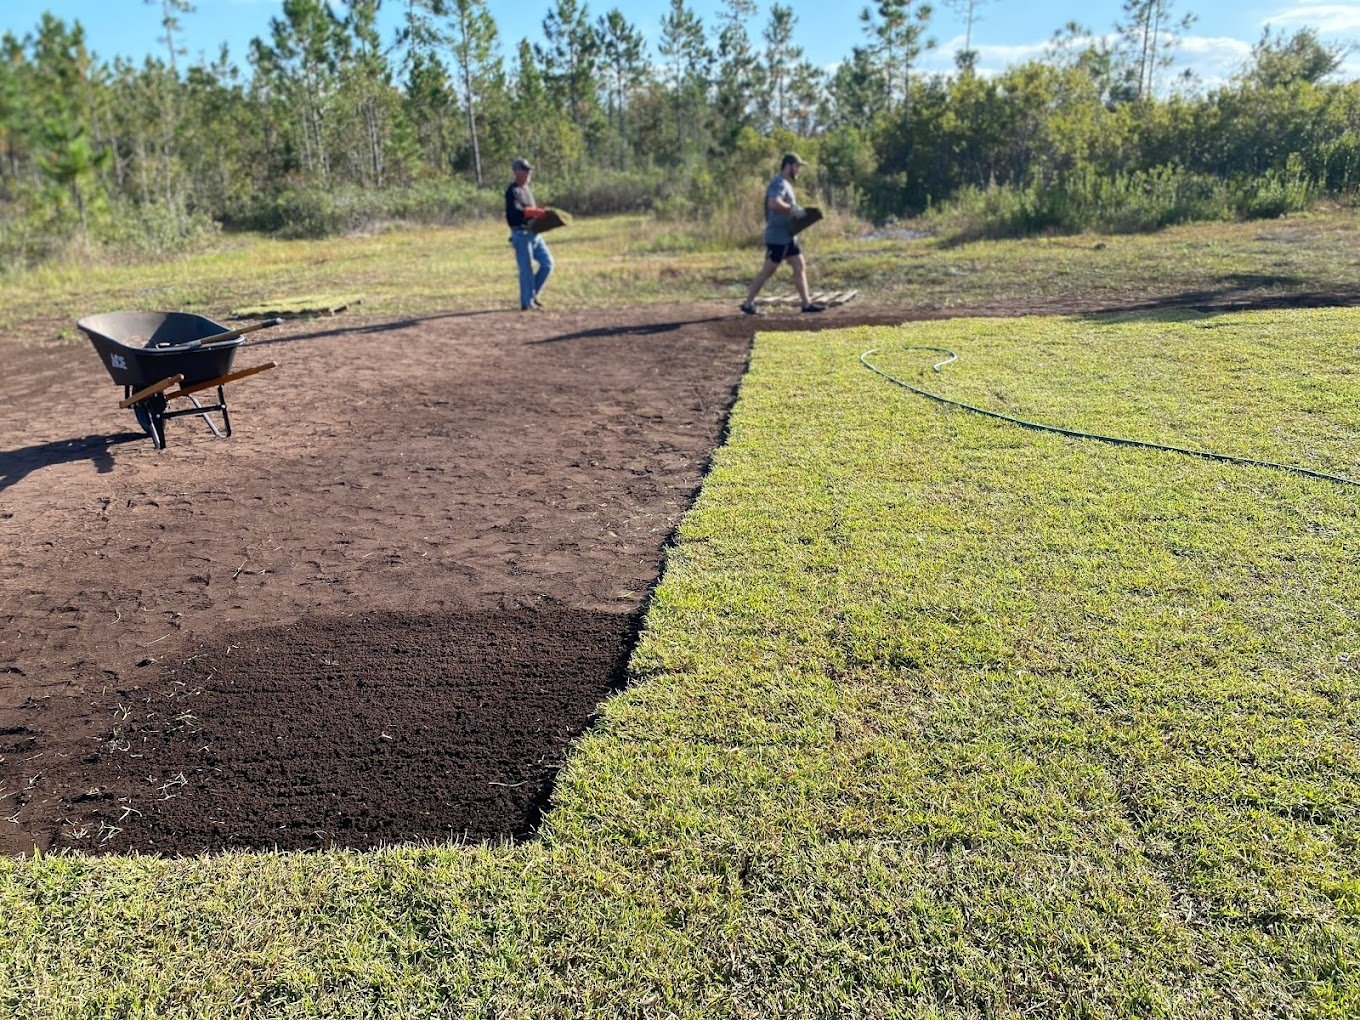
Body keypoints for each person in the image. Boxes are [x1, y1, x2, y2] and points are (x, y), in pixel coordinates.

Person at [741, 152, 825, 315]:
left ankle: (806, 304)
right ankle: (747, 304)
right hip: (777, 237)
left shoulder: (786, 184)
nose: (798, 170)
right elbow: (774, 203)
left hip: (788, 236)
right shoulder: (778, 183)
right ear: (789, 166)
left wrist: (798, 213)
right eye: (797, 166)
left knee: (799, 266)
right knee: (768, 271)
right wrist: (792, 209)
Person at [505, 157, 554, 311]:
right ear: (516, 171)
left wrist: (541, 213)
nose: (528, 173)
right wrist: (536, 212)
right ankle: (527, 303)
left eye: (529, 170)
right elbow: (516, 212)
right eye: (525, 170)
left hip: (533, 232)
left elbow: (530, 210)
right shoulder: (513, 191)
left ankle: (531, 295)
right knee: (526, 269)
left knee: (548, 263)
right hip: (521, 234)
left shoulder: (526, 189)